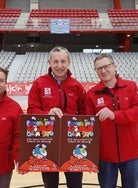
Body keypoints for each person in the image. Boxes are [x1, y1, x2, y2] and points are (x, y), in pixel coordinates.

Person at [27, 46, 86, 188]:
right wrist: (47, 114)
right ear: (49, 62)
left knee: (75, 184)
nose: (59, 66)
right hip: (47, 142)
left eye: (63, 61)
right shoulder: (39, 83)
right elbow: (31, 111)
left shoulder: (76, 85)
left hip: (72, 143)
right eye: (55, 61)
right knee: (50, 184)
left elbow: (85, 114)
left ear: (69, 62)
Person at [85, 53, 138, 188]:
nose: (103, 70)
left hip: (131, 154)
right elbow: (88, 126)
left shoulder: (130, 87)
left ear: (114, 66)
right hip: (105, 157)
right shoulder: (92, 94)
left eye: (106, 66)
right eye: (99, 68)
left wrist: (115, 115)